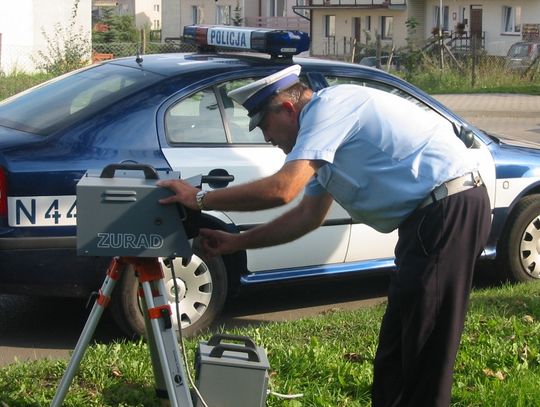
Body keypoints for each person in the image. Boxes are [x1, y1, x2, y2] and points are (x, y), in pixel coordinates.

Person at [157, 64, 491, 406]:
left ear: (287, 109)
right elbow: (306, 216)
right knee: (396, 351)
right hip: (427, 221)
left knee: (426, 350)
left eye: (264, 126)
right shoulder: (323, 142)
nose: (266, 138)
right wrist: (238, 242)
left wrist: (198, 198)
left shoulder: (328, 109)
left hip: (448, 210)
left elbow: (283, 190)